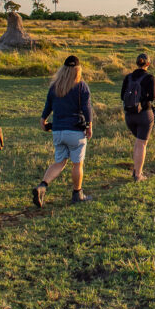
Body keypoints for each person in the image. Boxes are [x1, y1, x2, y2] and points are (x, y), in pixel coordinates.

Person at [33, 55, 95, 206]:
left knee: (59, 162)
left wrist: (43, 119)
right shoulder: (81, 86)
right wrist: (89, 125)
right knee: (77, 164)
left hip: (58, 130)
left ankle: (43, 185)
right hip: (75, 131)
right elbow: (86, 108)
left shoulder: (55, 86)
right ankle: (77, 193)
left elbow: (48, 105)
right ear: (78, 70)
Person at [120, 53, 155, 181]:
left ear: (137, 63)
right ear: (148, 64)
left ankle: (136, 169)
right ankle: (138, 174)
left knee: (138, 141)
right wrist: (142, 101)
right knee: (142, 144)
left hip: (129, 115)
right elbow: (152, 96)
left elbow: (122, 96)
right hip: (144, 114)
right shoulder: (149, 77)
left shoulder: (128, 77)